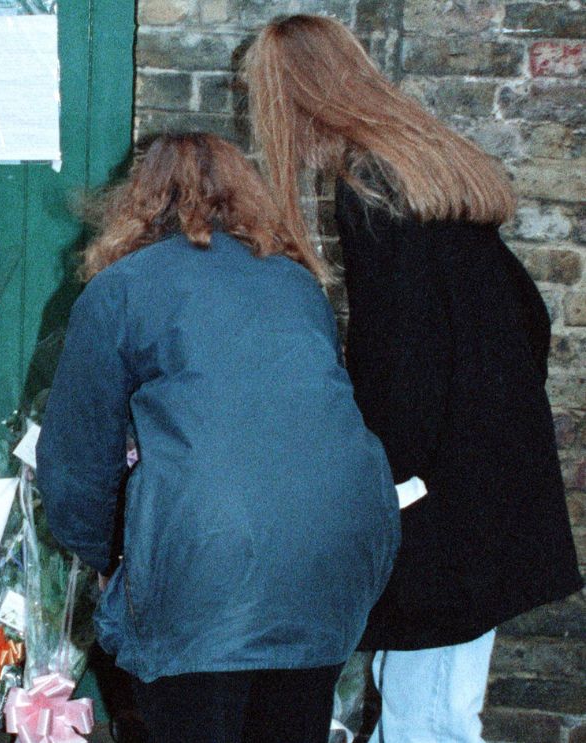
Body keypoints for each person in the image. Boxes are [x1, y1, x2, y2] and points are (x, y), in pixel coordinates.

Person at [243, 15, 584, 743]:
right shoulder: (424, 164)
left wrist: (384, 474)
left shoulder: (368, 183)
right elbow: (530, 316)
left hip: (440, 494)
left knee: (425, 714)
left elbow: (398, 360)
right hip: (488, 474)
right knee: (430, 699)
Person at [35, 132, 401, 743]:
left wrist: (115, 562)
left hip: (206, 557)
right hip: (339, 544)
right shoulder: (295, 283)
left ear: (137, 200)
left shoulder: (121, 288)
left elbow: (76, 464)